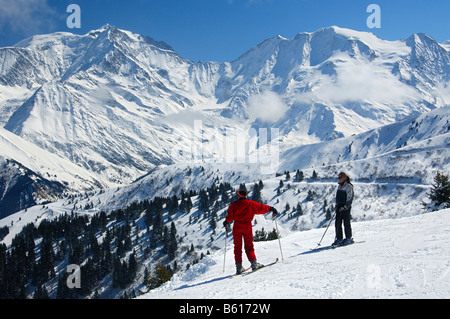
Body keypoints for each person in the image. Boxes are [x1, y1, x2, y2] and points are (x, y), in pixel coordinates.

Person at [223, 188, 278, 274]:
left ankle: (239, 267)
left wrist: (226, 222)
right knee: (249, 246)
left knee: (237, 247)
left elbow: (230, 216)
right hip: (247, 226)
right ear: (246, 195)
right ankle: (254, 264)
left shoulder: (234, 205)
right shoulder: (250, 204)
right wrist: (271, 209)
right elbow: (261, 208)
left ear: (238, 195)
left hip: (237, 227)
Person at [333, 172, 354, 246]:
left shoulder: (348, 186)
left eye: (340, 178)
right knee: (337, 223)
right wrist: (337, 205)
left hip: (345, 207)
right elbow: (338, 197)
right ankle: (339, 238)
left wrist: (345, 206)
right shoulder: (339, 186)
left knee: (346, 223)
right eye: (338, 177)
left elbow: (350, 197)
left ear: (344, 178)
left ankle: (348, 238)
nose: (339, 179)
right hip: (339, 206)